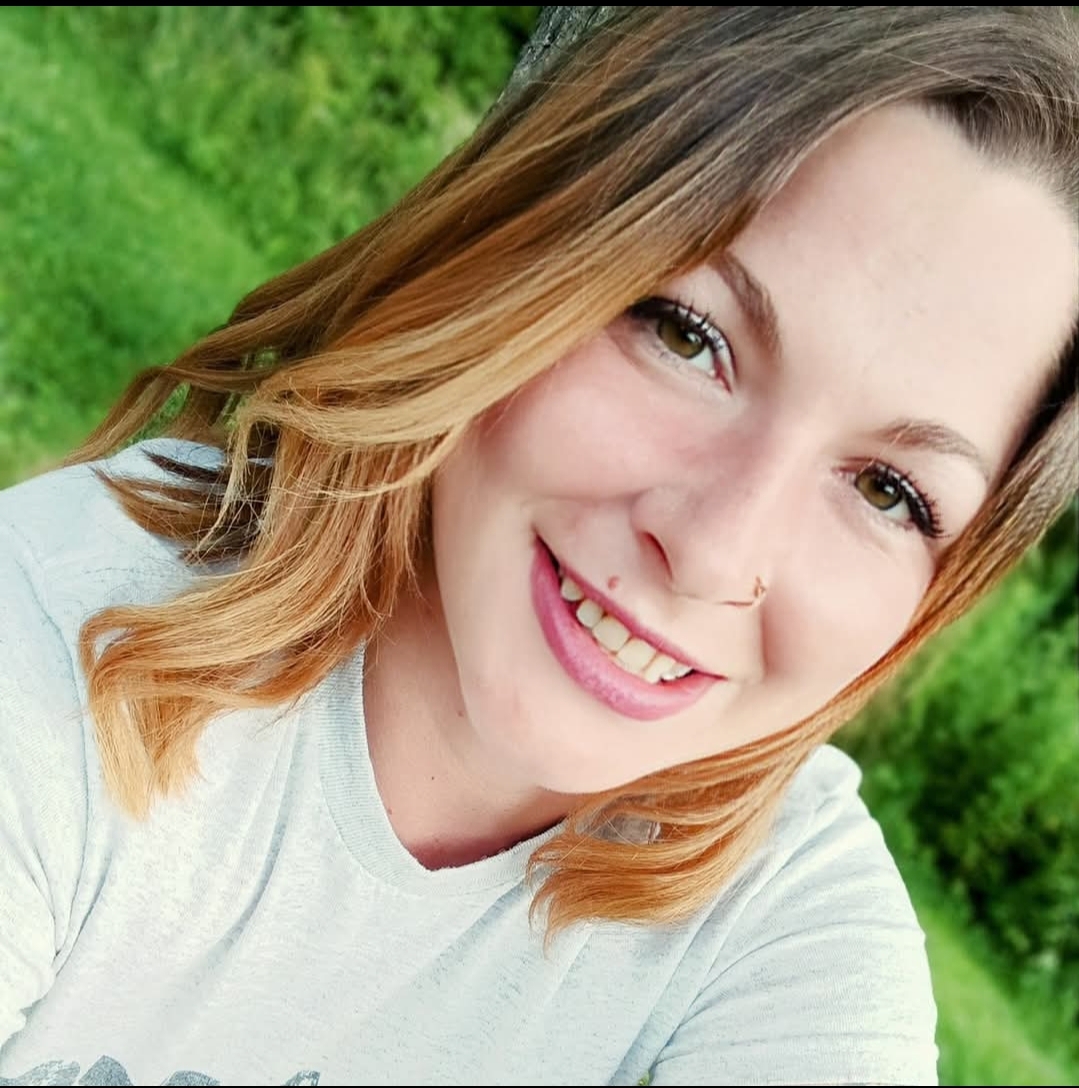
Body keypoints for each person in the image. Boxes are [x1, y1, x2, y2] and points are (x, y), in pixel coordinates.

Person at [1, 6, 1076, 1086]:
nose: (713, 552)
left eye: (889, 493)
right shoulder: (55, 647)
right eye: (686, 336)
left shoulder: (789, 943)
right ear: (525, 247)